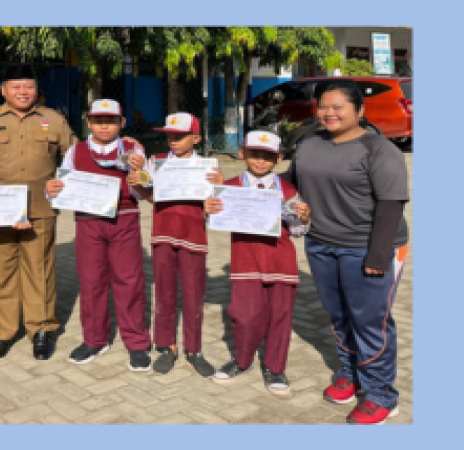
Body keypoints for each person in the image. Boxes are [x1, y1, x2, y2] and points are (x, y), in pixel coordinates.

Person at [281, 80, 409, 424]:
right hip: (321, 243)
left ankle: (382, 395)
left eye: (338, 107)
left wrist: (378, 257)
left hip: (369, 247)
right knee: (338, 315)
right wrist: (242, 187)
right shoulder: (309, 143)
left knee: (370, 321)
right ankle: (351, 373)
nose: (329, 113)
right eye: (324, 106)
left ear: (359, 111)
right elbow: (288, 183)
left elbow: (391, 205)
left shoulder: (380, 150)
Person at [0, 63, 77, 360]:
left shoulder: (53, 120)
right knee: (0, 270)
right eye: (15, 87)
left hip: (40, 208)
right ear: (3, 90)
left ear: (36, 90)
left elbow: (75, 157)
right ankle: (1, 332)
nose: (22, 92)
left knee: (39, 270)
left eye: (28, 86)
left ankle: (41, 330)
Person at [45, 99, 153, 371]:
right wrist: (52, 190)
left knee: (129, 281)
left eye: (111, 120)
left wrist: (140, 177)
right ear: (89, 123)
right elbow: (62, 188)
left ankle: (137, 342)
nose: (104, 126)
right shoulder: (76, 151)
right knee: (91, 281)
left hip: (125, 220)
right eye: (98, 121)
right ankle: (95, 339)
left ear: (122, 123)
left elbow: (146, 192)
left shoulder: (134, 149)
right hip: (88, 222)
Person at [204, 130, 311, 397]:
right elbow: (215, 222)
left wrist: (305, 217)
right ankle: (242, 361)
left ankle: (275, 367)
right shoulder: (229, 187)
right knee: (245, 316)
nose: (260, 161)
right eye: (254, 154)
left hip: (281, 262)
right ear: (242, 154)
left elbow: (297, 230)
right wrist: (208, 210)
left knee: (280, 317)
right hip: (246, 262)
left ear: (279, 158)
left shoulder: (287, 189)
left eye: (268, 156)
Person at [128, 112, 219, 376]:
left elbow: (217, 204)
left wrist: (220, 189)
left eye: (180, 137)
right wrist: (138, 184)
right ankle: (166, 346)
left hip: (194, 237)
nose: (173, 141)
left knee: (193, 296)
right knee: (164, 295)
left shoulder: (208, 167)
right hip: (163, 235)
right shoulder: (156, 163)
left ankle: (194, 348)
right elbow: (152, 198)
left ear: (196, 138)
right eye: (169, 136)